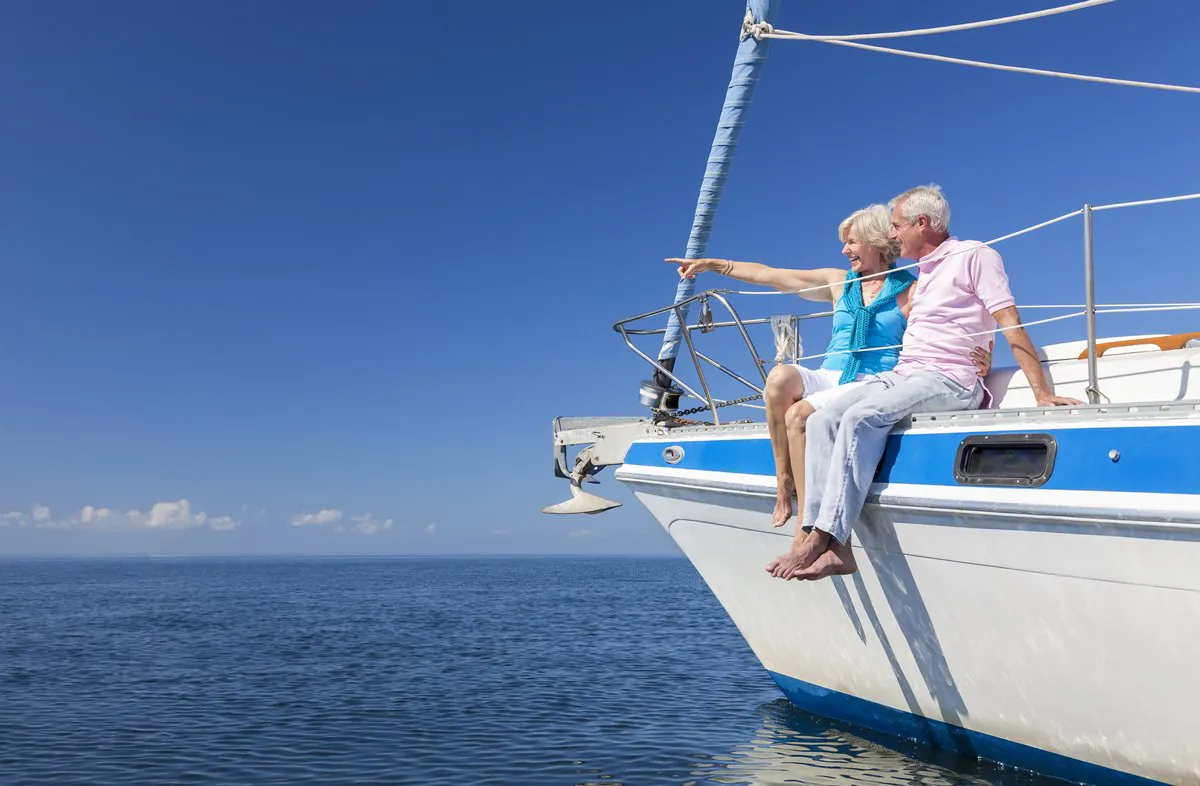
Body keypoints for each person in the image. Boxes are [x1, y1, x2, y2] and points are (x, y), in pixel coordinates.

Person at [779, 184, 1082, 582]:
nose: (891, 235)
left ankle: (823, 536)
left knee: (861, 418)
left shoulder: (975, 255)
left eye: (897, 226)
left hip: (950, 379)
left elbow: (1009, 320)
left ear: (922, 224)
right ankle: (839, 547)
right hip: (905, 374)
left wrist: (1041, 391)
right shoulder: (923, 273)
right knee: (822, 419)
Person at [667, 205, 990, 578]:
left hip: (869, 382)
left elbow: (956, 318)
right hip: (830, 374)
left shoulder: (911, 289)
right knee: (779, 379)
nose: (844, 250)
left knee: (799, 415)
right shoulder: (839, 282)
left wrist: (981, 354)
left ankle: (807, 526)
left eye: (851, 241)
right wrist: (714, 265)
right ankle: (783, 480)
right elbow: (772, 276)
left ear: (873, 241)